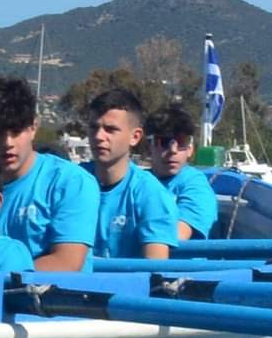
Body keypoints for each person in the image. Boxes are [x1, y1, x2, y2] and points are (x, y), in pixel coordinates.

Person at [0, 75, 96, 272]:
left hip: (51, 300)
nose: (8, 143)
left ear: (33, 128)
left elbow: (67, 263)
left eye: (16, 131)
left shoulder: (71, 182)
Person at [79, 86, 178, 260]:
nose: (99, 136)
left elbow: (154, 270)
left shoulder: (150, 194)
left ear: (135, 137)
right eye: (94, 128)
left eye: (110, 129)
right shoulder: (72, 183)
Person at [145, 102, 229, 252]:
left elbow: (174, 238)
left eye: (181, 142)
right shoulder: (137, 182)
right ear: (149, 146)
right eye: (163, 142)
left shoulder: (196, 186)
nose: (173, 150)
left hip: (180, 272)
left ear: (190, 149)